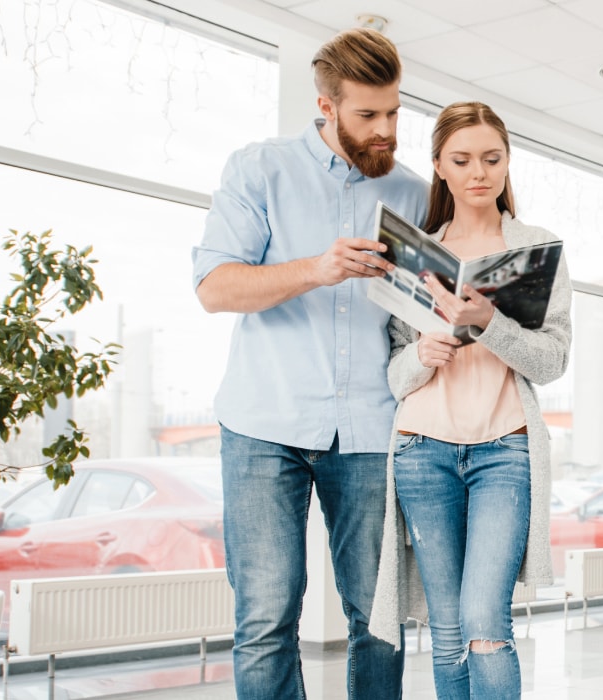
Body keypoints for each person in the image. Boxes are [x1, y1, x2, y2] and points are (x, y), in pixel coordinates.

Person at [191, 27, 425, 700]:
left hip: (370, 429)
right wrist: (318, 269)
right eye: (368, 115)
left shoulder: (409, 194)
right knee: (266, 618)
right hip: (265, 424)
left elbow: (416, 319)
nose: (386, 130)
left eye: (394, 112)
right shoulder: (259, 169)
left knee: (377, 620)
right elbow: (215, 288)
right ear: (326, 106)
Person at [370, 101, 569, 700]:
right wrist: (421, 354)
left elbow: (553, 359)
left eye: (492, 158)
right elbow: (394, 376)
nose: (479, 172)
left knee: (486, 621)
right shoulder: (416, 251)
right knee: (450, 630)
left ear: (508, 164)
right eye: (462, 160)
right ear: (440, 168)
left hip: (504, 450)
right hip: (421, 450)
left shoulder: (536, 247)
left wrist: (488, 324)